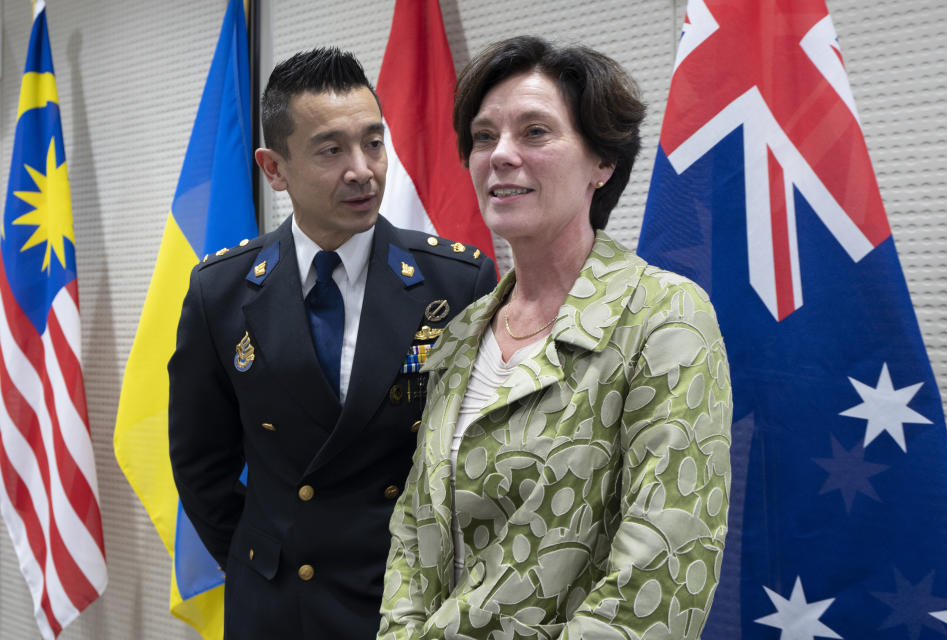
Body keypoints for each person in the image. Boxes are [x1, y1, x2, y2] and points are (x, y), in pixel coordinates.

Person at [379, 36, 732, 639]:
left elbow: (664, 572)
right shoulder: (463, 333)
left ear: (603, 162)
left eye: (535, 132)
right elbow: (412, 535)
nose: (500, 156)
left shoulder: (663, 316)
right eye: (485, 137)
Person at [168, 48, 497, 639]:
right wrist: (264, 556)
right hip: (277, 603)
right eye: (331, 150)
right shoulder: (220, 292)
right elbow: (199, 463)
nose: (362, 170)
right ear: (275, 169)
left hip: (404, 599)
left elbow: (478, 458)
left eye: (373, 143)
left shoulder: (456, 282)